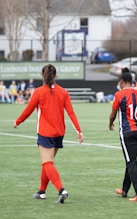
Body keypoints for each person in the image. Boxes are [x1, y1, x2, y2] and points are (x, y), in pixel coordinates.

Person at [13, 64, 84, 204]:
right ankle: (42, 191)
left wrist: (17, 122)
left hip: (45, 133)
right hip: (59, 133)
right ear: (55, 75)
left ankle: (61, 190)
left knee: (47, 163)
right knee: (47, 163)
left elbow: (28, 110)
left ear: (42, 75)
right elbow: (71, 113)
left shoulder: (39, 92)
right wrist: (78, 131)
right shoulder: (63, 92)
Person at [109, 71, 137, 202]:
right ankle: (125, 189)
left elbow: (113, 113)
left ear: (121, 81)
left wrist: (110, 123)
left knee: (131, 162)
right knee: (131, 160)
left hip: (127, 133)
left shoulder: (119, 94)